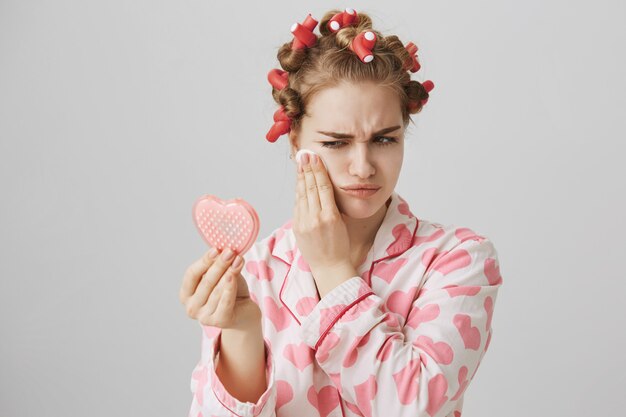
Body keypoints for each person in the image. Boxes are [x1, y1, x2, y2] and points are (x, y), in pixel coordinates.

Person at [180, 8, 503, 417]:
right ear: (295, 139)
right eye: (336, 143)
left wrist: (332, 268)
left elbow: (416, 405)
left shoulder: (457, 260)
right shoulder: (256, 271)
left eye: (384, 139)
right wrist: (242, 329)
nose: (363, 166)